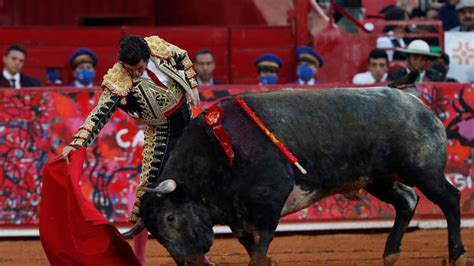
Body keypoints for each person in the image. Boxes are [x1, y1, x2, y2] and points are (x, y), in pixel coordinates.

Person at [60, 35, 210, 265]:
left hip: (188, 125)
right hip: (162, 135)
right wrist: (78, 142)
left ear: (147, 57)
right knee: (146, 199)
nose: (136, 73)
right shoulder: (119, 78)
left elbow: (182, 56)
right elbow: (99, 114)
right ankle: (140, 259)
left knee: (196, 188)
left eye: (139, 68)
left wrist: (192, 84)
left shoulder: (156, 47)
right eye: (131, 70)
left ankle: (201, 253)